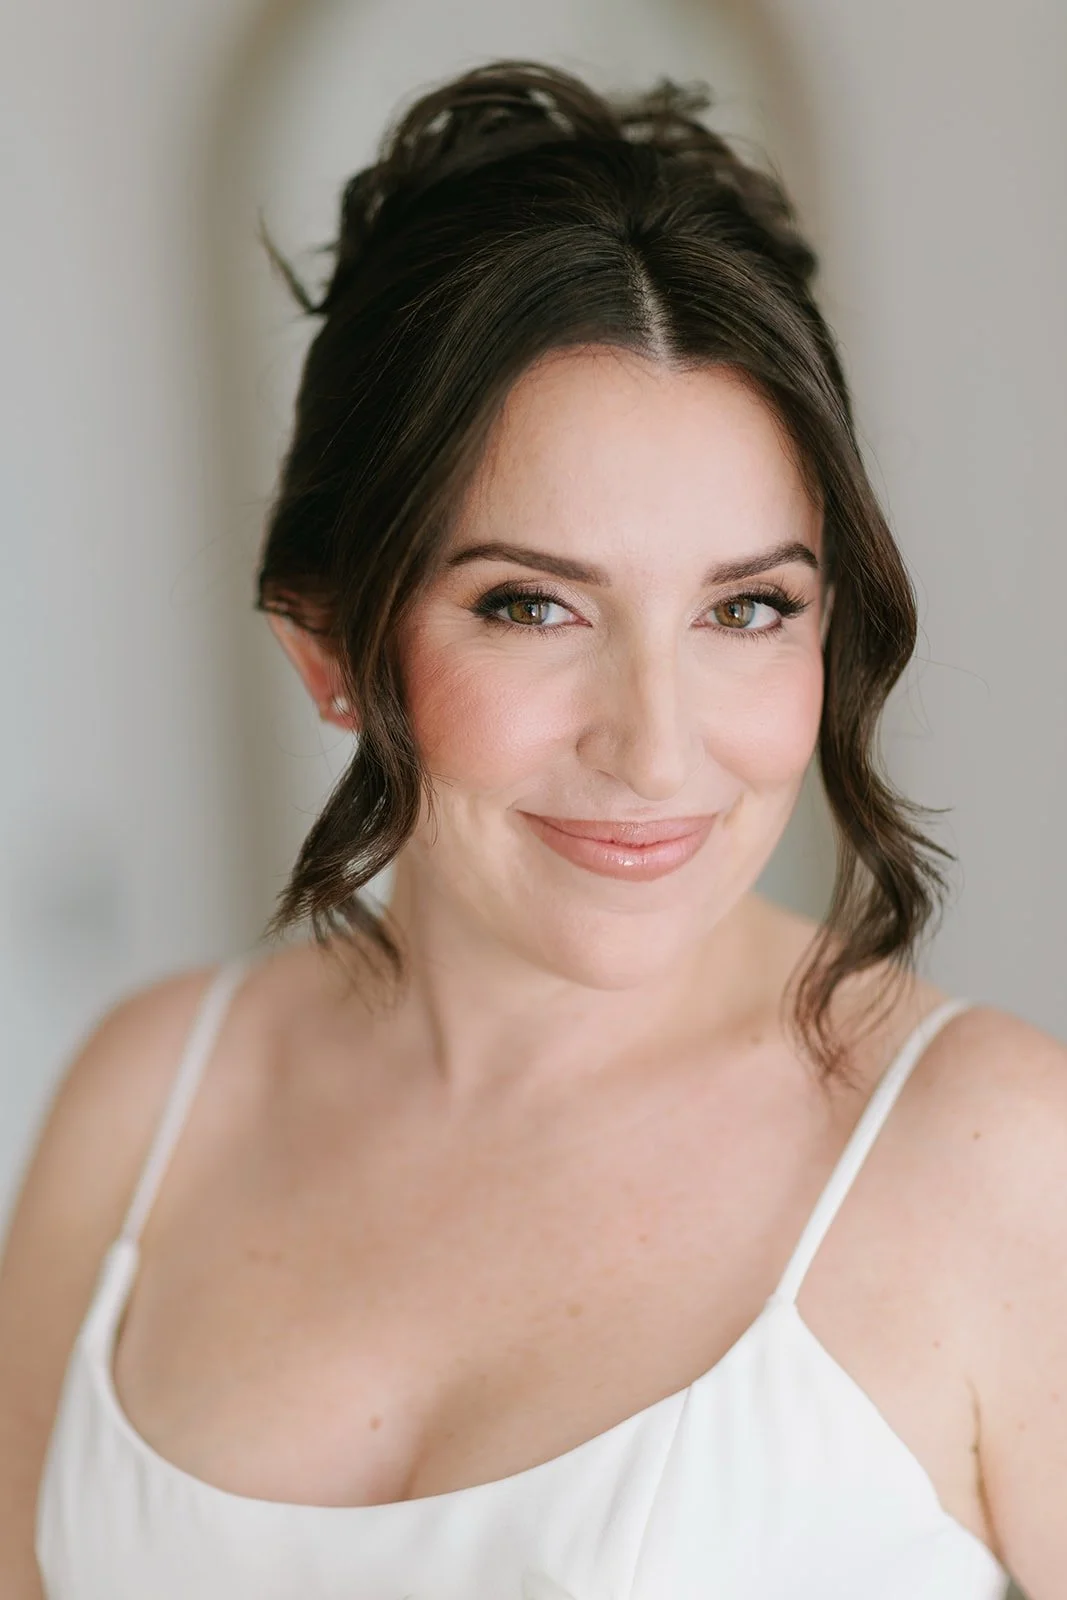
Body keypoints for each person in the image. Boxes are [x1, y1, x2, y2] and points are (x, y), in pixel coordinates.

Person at [0, 56, 1060, 1600]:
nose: (654, 741)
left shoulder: (998, 1159)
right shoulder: (147, 1100)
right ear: (326, 644)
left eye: (747, 607)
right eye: (531, 604)